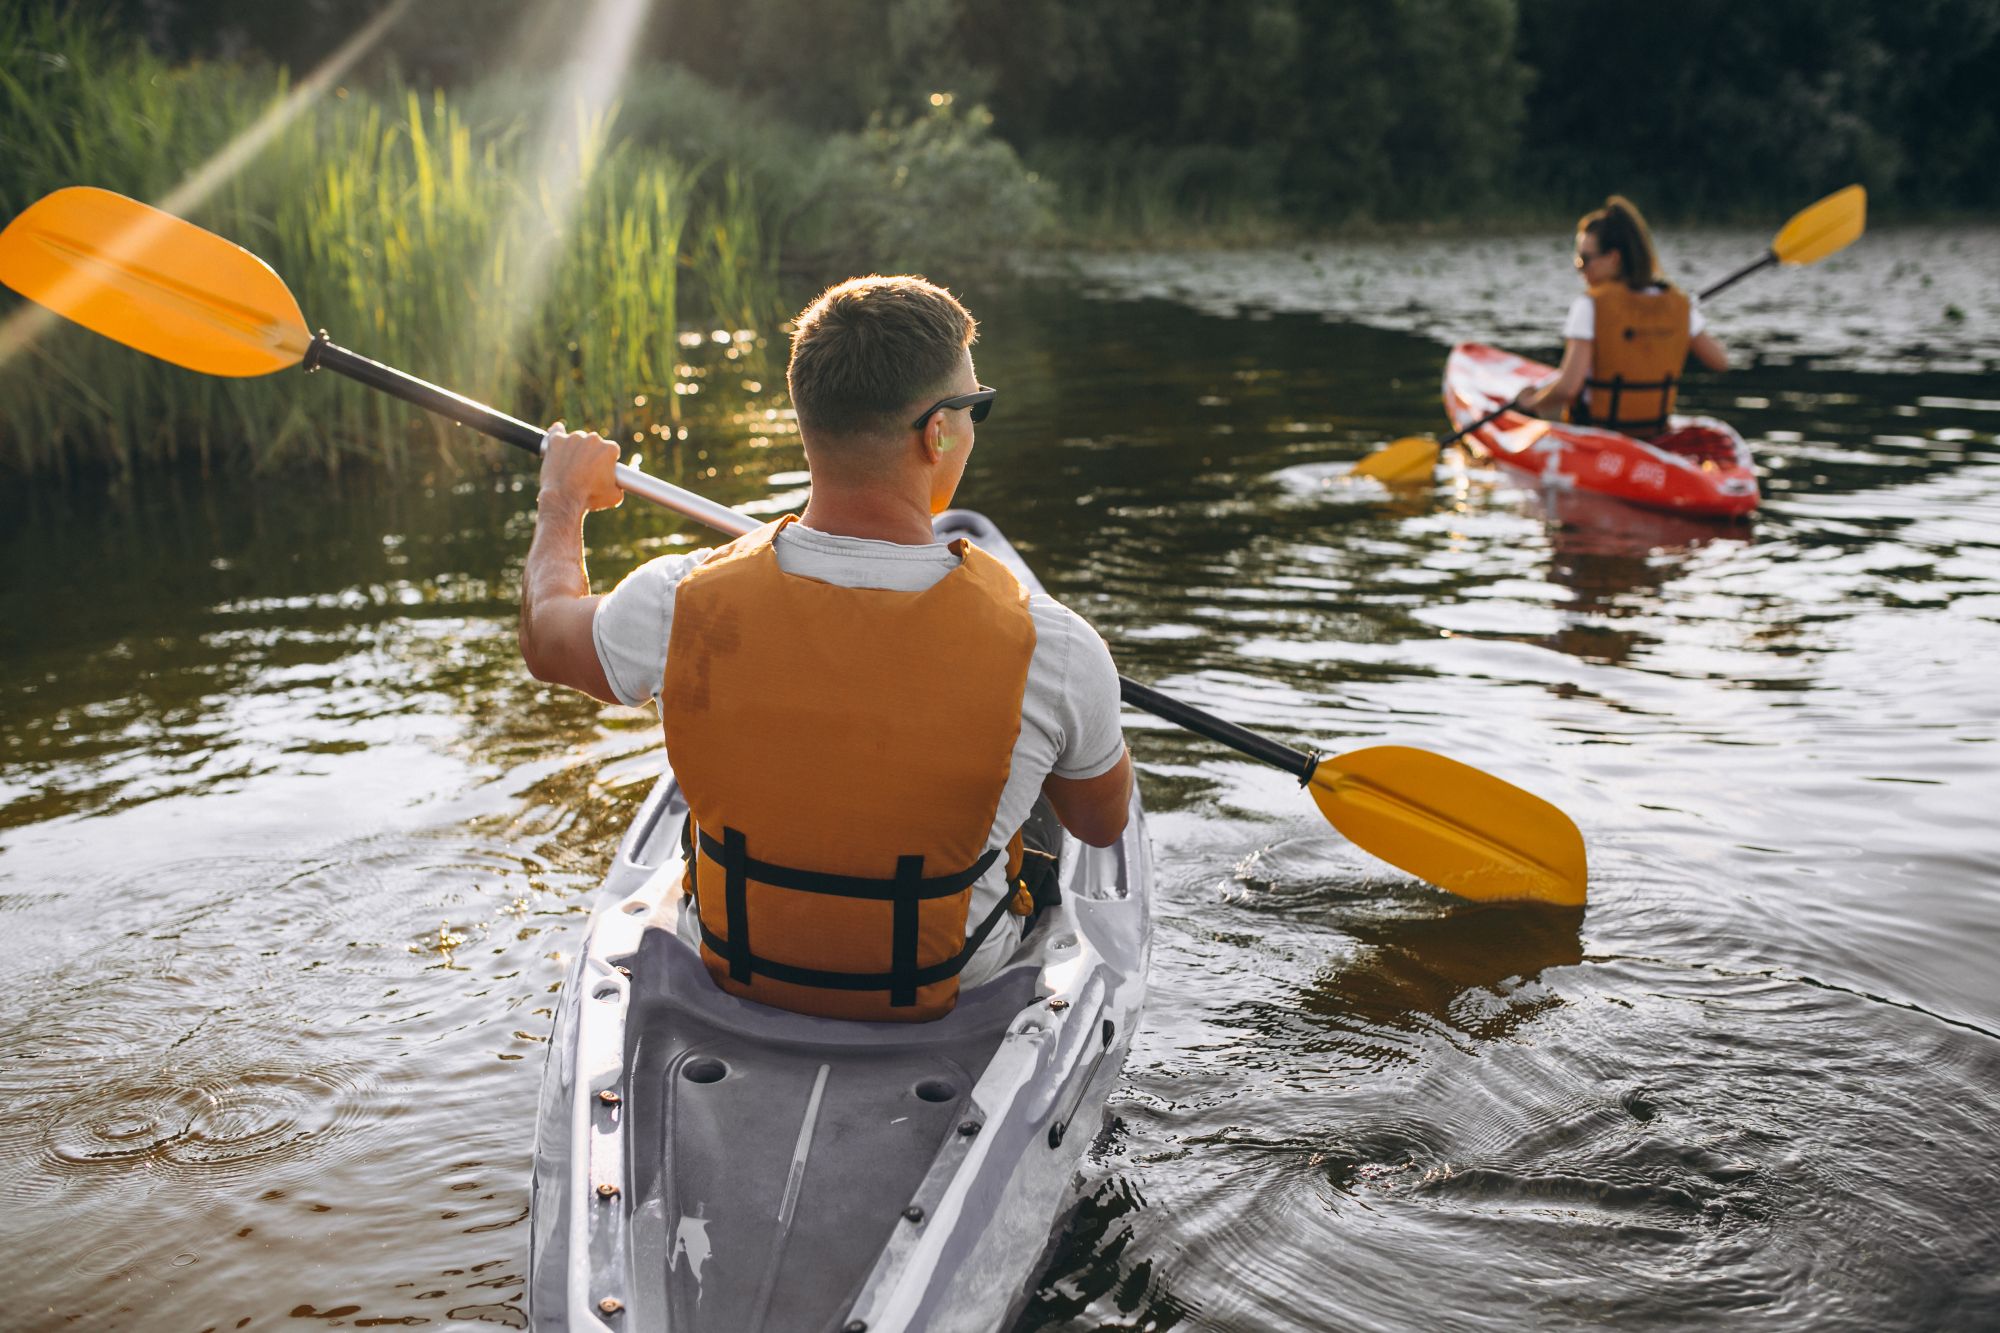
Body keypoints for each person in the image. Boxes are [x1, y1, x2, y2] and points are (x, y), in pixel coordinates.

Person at [517, 275, 1133, 1022]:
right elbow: (1101, 826)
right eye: (976, 408)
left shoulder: (679, 599)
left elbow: (547, 636)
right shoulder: (1054, 646)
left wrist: (562, 500)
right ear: (938, 431)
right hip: (951, 989)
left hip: (734, 969)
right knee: (1042, 787)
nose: (974, 425)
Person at [1514, 195, 1729, 436]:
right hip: (1653, 431)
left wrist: (1530, 404)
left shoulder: (1591, 305)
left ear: (1614, 258)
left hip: (1598, 435)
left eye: (1584, 259)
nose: (1579, 268)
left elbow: (1568, 388)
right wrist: (1685, 317)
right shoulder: (1677, 303)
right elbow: (1720, 361)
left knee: (1537, 404)